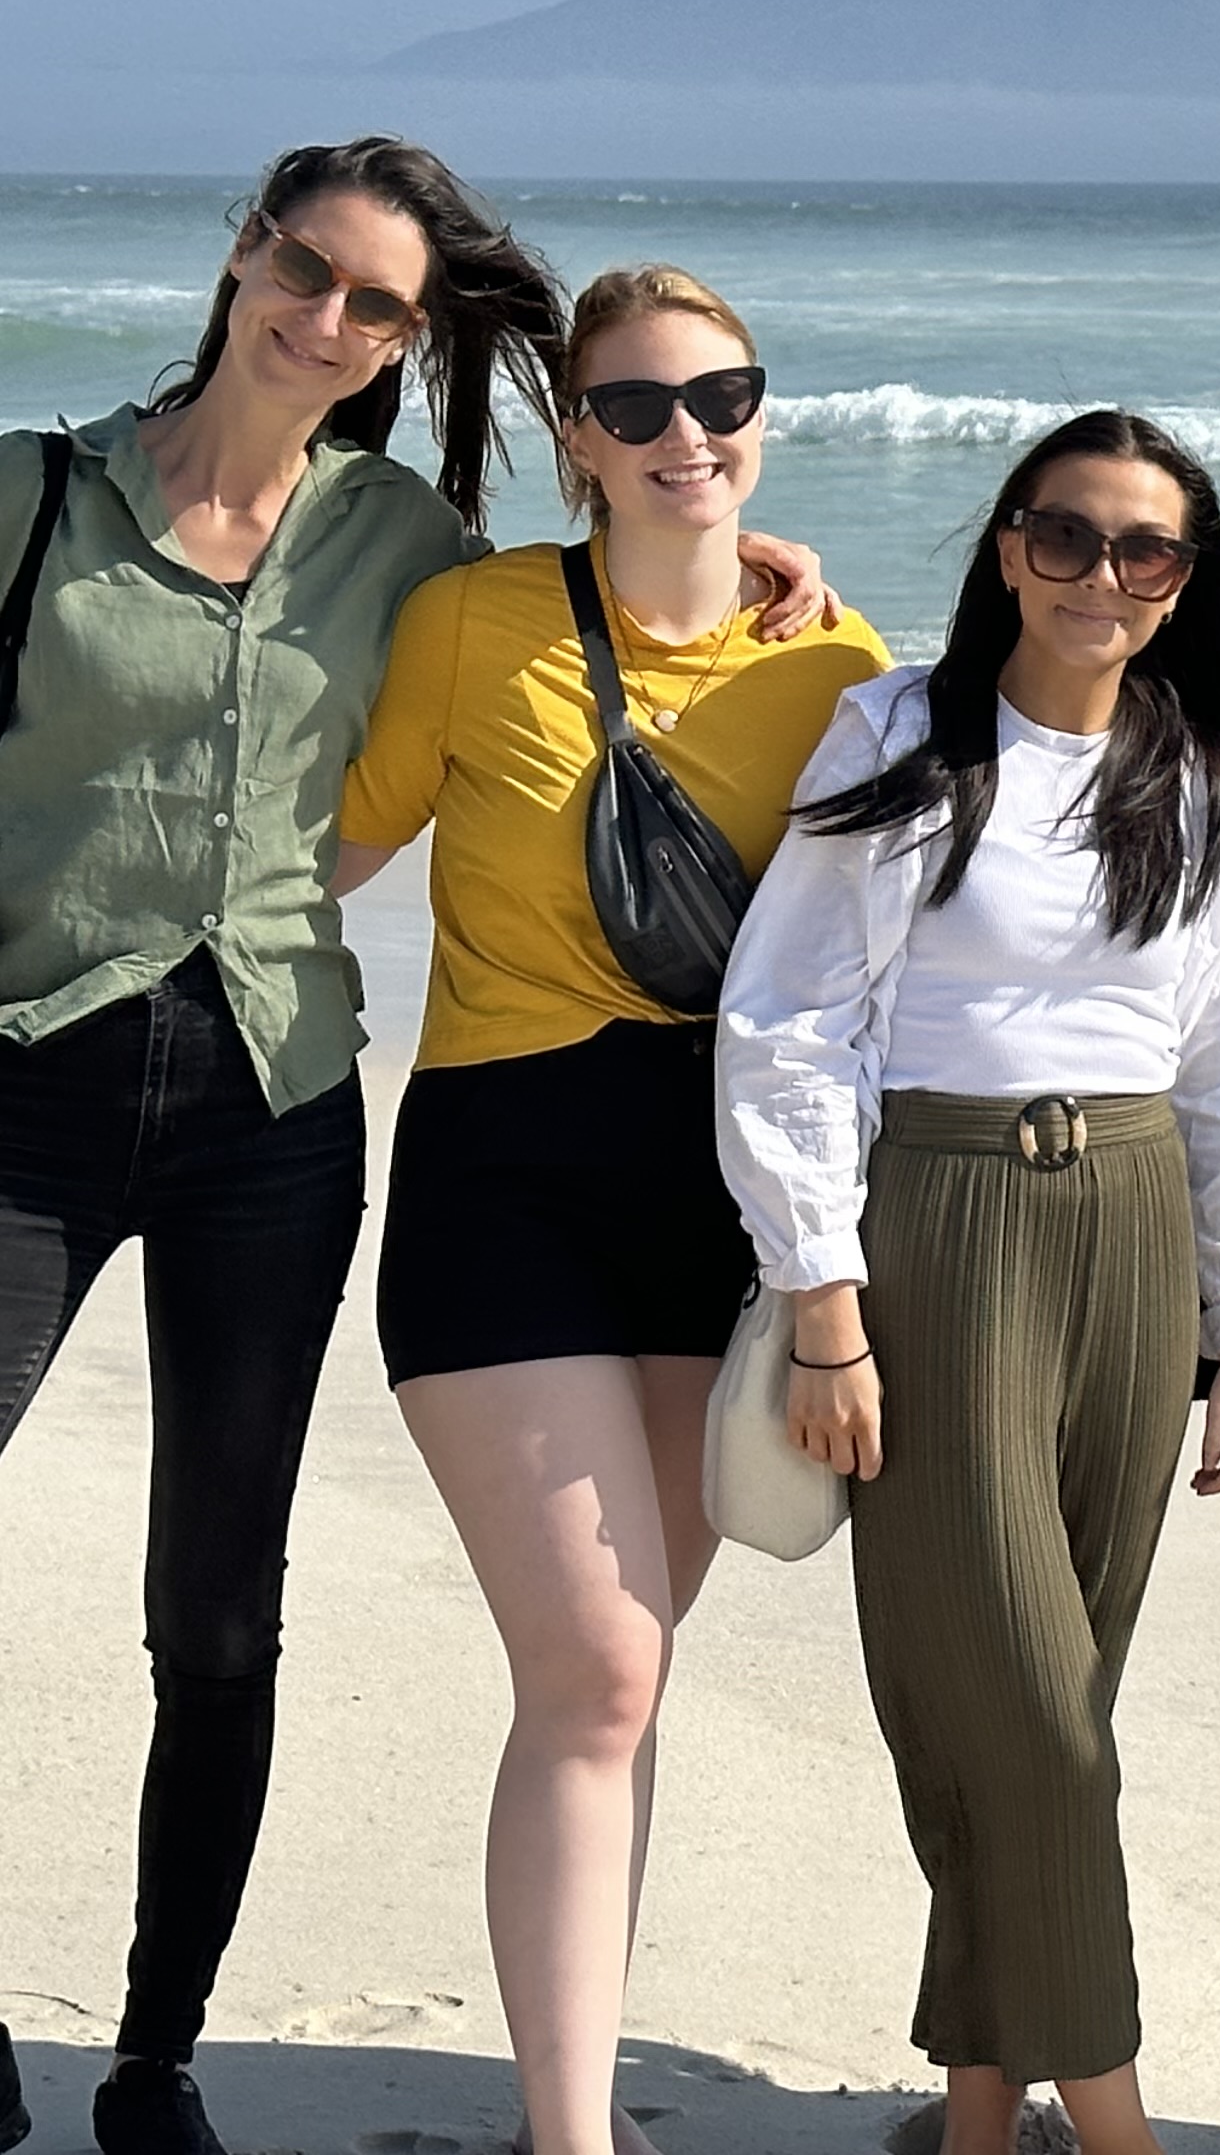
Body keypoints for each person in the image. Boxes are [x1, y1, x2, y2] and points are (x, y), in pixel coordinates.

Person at [0, 137, 816, 2155]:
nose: (336, 324)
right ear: (246, 254)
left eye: (382, 307)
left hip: (276, 1105)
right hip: (22, 1071)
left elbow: (618, 627)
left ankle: (154, 2053)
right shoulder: (31, 494)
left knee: (220, 1603)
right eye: (312, 274)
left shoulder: (409, 549)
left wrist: (783, 581)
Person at [330, 264, 888, 2155]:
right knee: (599, 1661)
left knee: (621, 1677)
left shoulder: (838, 665)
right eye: (633, 408)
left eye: (717, 398)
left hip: (719, 1201)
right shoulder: (477, 623)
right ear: (574, 436)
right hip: (506, 1171)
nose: (683, 435)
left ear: (763, 412)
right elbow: (324, 845)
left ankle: (570, 2109)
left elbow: (957, 910)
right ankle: (574, 2139)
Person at [715, 410, 1220, 2155]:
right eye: (1065, 536)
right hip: (941, 1225)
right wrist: (825, 1299)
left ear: (1187, 587)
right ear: (1005, 548)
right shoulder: (896, 734)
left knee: (1051, 1703)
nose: (1100, 577)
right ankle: (1112, 2122)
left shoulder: (1204, 785)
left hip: (1128, 1239)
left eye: (1146, 552)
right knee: (1028, 1713)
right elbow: (788, 1019)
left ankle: (977, 2117)